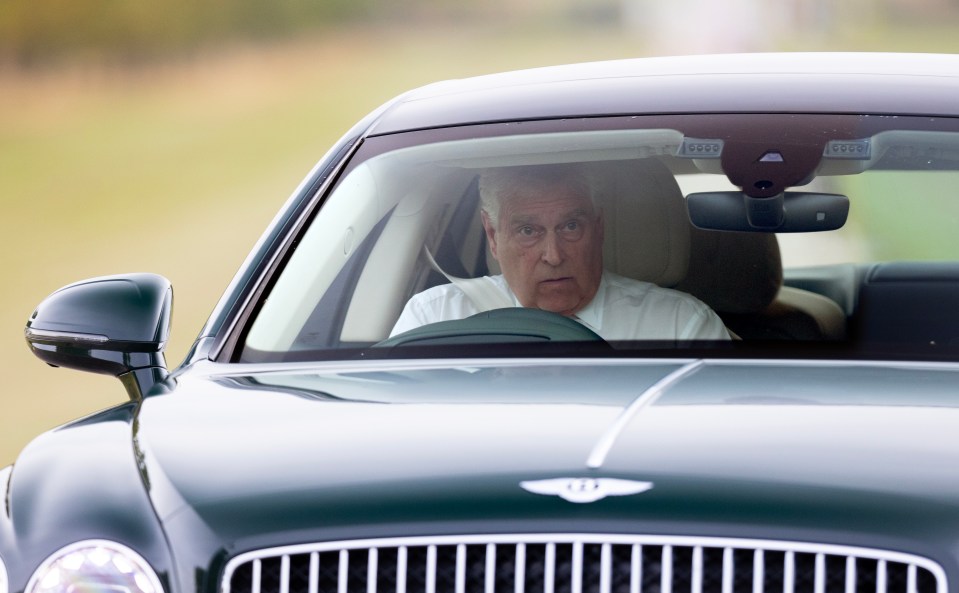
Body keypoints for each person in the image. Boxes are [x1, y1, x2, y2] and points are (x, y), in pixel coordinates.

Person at [390, 164, 730, 341]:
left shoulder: (679, 328)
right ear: (493, 235)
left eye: (570, 227)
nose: (553, 255)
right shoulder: (435, 320)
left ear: (598, 228)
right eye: (528, 231)